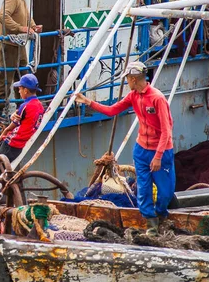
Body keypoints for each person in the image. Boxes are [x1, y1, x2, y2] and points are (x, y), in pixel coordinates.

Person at [75, 61, 175, 236]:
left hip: (161, 151)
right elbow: (112, 110)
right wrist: (88, 102)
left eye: (128, 79)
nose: (127, 82)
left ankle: (161, 216)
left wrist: (158, 156)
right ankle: (152, 228)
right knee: (143, 190)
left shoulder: (157, 98)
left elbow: (167, 131)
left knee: (165, 192)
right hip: (141, 150)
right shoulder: (133, 96)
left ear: (134, 79)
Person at [0, 0, 42, 112]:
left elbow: (26, 16)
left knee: (23, 76)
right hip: (8, 44)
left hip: (18, 44)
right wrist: (20, 28)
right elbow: (2, 16)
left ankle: (22, 108)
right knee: (5, 78)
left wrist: (33, 26)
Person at [0, 74, 44, 180]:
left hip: (11, 143)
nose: (19, 92)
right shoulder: (40, 106)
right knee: (9, 173)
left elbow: (9, 128)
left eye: (20, 89)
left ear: (26, 91)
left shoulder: (25, 106)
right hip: (20, 145)